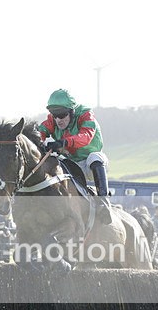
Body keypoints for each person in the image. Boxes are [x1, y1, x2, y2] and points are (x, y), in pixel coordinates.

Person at [37, 88, 112, 224]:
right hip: (72, 165)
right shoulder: (53, 120)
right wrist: (39, 143)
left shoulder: (86, 115)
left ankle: (104, 202)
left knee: (95, 157)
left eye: (62, 114)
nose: (58, 119)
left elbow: (86, 137)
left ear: (72, 112)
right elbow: (40, 131)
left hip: (90, 165)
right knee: (55, 161)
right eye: (55, 115)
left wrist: (64, 142)